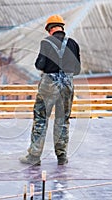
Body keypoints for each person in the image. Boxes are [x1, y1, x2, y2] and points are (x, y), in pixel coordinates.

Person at [19, 14, 81, 165]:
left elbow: (40, 65)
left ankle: (34, 156)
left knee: (41, 118)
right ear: (61, 28)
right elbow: (77, 69)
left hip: (49, 84)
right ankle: (62, 156)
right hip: (67, 84)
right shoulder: (73, 44)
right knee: (63, 119)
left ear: (49, 29)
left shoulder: (46, 43)